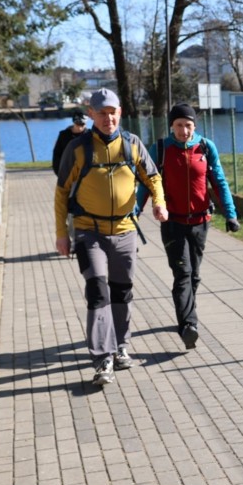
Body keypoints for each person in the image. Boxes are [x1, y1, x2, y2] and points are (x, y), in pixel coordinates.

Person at [54, 88, 168, 386]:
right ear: (91, 114)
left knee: (121, 291)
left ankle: (120, 346)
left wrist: (159, 202)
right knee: (97, 291)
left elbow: (153, 177)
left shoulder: (132, 144)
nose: (109, 118)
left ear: (120, 113)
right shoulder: (78, 148)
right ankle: (102, 358)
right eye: (102, 113)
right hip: (88, 231)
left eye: (113, 112)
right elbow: (61, 192)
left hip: (125, 231)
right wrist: (61, 234)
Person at [137, 103, 240, 350]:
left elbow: (219, 182)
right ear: (171, 126)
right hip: (173, 223)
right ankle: (188, 325)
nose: (184, 131)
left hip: (200, 223)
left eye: (188, 125)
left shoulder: (205, 147)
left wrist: (231, 214)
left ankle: (186, 316)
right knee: (182, 273)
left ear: (195, 126)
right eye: (179, 125)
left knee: (194, 275)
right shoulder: (160, 149)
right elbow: (146, 183)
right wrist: (135, 213)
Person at [51, 111, 88, 176]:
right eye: (78, 124)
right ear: (73, 123)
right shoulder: (63, 135)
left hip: (85, 173)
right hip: (67, 171)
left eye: (82, 124)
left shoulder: (89, 136)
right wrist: (58, 171)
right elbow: (57, 154)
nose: (80, 127)